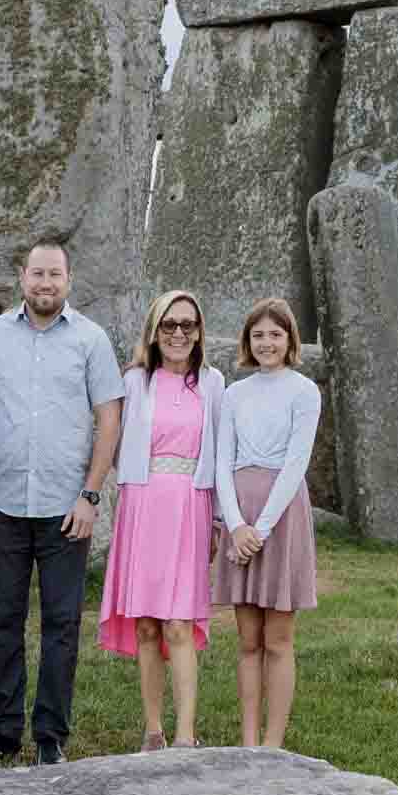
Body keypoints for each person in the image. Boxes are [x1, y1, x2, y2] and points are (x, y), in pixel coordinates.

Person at [0, 240, 124, 766]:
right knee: (1, 623)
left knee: (61, 625)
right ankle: (4, 731)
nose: (45, 283)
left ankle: (51, 734)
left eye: (55, 274)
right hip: (3, 504)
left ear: (68, 280)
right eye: (37, 274)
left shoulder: (91, 341)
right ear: (22, 277)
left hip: (64, 507)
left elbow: (109, 420)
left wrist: (90, 494)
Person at [97, 290, 225, 752]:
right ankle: (153, 731)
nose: (178, 334)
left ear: (199, 333)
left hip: (189, 504)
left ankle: (186, 735)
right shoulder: (134, 383)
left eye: (188, 325)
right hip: (143, 503)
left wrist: (219, 521)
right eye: (169, 325)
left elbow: (221, 454)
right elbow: (111, 441)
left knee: (178, 623)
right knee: (148, 624)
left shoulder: (212, 383)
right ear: (154, 330)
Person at [213, 297, 321, 749]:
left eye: (275, 334)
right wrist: (236, 525)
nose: (266, 343)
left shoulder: (303, 391)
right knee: (248, 639)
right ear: (247, 341)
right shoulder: (234, 394)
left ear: (289, 339)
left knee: (277, 638)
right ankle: (249, 741)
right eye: (258, 335)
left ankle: (274, 744)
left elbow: (296, 463)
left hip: (281, 514)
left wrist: (263, 529)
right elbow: (222, 463)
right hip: (240, 510)